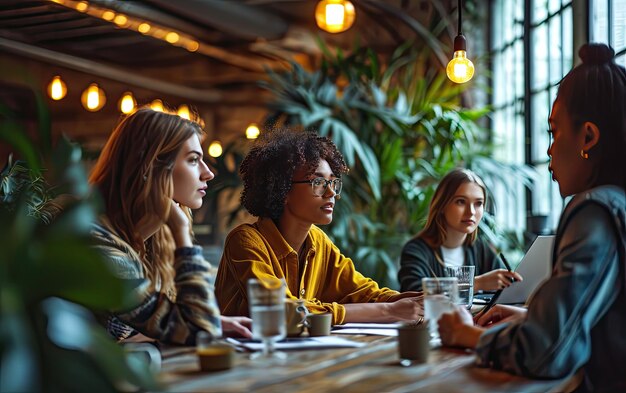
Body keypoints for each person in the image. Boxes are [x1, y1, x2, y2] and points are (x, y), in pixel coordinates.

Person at [438, 43, 626, 393]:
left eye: (554, 132)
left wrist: (467, 335)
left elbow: (543, 353)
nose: (549, 150)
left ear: (588, 136)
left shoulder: (594, 210)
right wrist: (530, 319)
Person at [214, 129, 423, 325]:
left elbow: (364, 293)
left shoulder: (318, 241)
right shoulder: (246, 241)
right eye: (318, 183)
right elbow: (280, 311)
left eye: (333, 182)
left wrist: (421, 301)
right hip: (244, 359)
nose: (331, 193)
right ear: (282, 190)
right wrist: (389, 311)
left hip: (301, 358)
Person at [89, 107, 252, 345]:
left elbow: (188, 325)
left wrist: (212, 322)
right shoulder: (100, 248)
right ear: (151, 168)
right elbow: (198, 330)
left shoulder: (150, 240)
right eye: (194, 160)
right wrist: (181, 233)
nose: (208, 173)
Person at [398, 168, 522, 292]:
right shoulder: (416, 250)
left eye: (478, 203)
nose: (471, 212)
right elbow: (413, 294)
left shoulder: (479, 248)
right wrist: (476, 283)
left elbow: (508, 290)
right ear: (442, 205)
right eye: (461, 202)